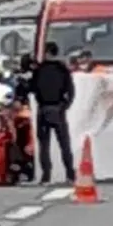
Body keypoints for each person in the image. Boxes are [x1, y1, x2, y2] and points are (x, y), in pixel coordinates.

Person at [29, 41, 76, 183]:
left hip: (43, 109)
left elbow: (32, 88)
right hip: (58, 109)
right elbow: (71, 90)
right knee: (64, 143)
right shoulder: (63, 69)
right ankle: (70, 173)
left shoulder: (39, 70)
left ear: (47, 53)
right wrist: (65, 106)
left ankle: (46, 175)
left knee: (44, 144)